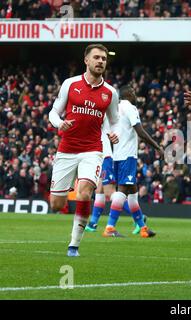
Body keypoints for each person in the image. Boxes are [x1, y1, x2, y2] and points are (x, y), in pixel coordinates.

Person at [48, 43, 119, 257]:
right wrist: (59, 124)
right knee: (56, 204)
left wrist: (114, 134)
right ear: (86, 60)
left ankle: (74, 246)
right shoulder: (70, 84)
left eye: (103, 59)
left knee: (85, 192)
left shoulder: (110, 93)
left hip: (92, 150)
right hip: (67, 149)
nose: (100, 62)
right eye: (96, 58)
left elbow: (114, 121)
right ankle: (67, 189)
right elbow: (54, 112)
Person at [101, 85, 164, 238]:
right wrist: (157, 146)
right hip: (127, 155)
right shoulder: (130, 108)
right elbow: (140, 131)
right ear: (128, 94)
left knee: (132, 192)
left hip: (117, 154)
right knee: (123, 190)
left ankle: (143, 228)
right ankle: (110, 227)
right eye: (134, 92)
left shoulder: (115, 109)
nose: (136, 95)